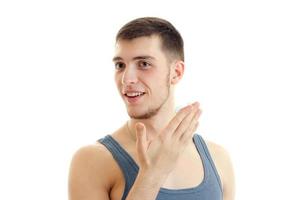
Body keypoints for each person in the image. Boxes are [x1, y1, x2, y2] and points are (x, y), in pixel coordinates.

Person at [68, 17, 235, 200]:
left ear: (176, 73)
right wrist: (152, 175)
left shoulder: (218, 159)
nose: (126, 79)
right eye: (120, 65)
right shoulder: (92, 161)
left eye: (144, 64)